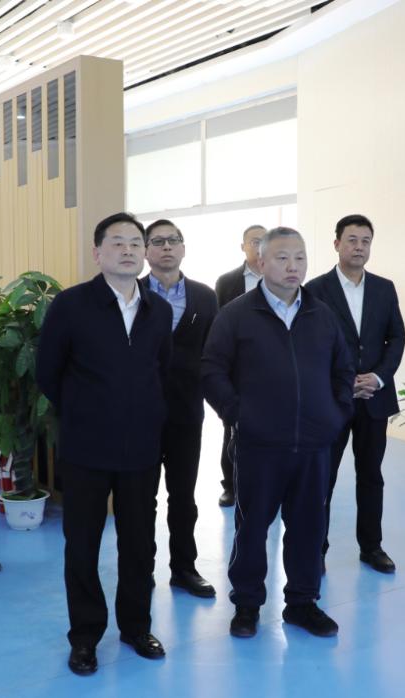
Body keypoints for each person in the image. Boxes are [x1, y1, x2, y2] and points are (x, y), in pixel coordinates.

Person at [36, 212, 172, 676]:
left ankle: (136, 627)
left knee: (139, 544)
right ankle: (85, 636)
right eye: (117, 242)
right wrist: (85, 411)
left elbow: (162, 370)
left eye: (136, 242)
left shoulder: (158, 310)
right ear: (97, 253)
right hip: (86, 449)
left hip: (141, 449)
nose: (128, 250)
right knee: (83, 546)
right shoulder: (71, 305)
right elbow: (48, 372)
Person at [202, 227, 353, 639]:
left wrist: (335, 415)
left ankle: (302, 603)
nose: (293, 266)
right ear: (261, 261)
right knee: (252, 528)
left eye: (300, 258)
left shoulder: (322, 315)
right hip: (259, 445)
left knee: (309, 528)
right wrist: (239, 415)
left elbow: (343, 370)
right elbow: (212, 369)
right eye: (283, 257)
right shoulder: (236, 314)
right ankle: (247, 605)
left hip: (313, 445)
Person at [306, 214, 405, 575]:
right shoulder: (315, 290)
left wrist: (378, 377)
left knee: (371, 475)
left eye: (365, 241)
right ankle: (315, 549)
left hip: (374, 399)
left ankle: (371, 547)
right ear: (337, 244)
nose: (359, 247)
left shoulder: (384, 288)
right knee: (323, 478)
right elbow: (309, 345)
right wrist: (342, 381)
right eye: (352, 240)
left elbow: (396, 337)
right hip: (332, 401)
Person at [143, 219, 219, 598]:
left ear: (184, 248)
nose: (166, 247)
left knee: (183, 497)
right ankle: (140, 569)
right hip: (139, 415)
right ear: (146, 251)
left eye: (173, 240)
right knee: (141, 498)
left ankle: (184, 569)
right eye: (157, 241)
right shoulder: (131, 293)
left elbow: (215, 354)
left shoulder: (205, 297)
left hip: (187, 412)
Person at [213, 224, 266, 507]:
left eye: (264, 241)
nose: (259, 246)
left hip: (271, 368)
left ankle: (267, 485)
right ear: (242, 247)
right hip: (236, 366)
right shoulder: (226, 282)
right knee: (232, 427)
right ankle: (231, 486)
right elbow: (217, 325)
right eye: (254, 241)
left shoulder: (280, 276)